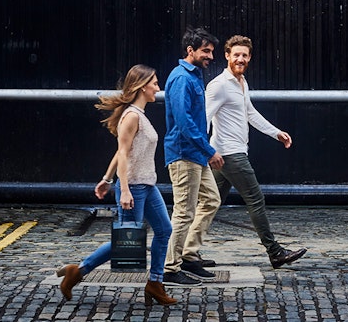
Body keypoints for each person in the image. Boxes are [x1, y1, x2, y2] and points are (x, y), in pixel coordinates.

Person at [57, 65, 177, 307]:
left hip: (147, 185)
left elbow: (124, 151)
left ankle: (155, 283)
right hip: (133, 186)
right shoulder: (132, 116)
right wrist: (122, 188)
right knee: (127, 241)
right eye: (154, 83)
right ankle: (78, 271)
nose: (157, 88)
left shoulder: (139, 115)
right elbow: (122, 152)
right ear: (143, 86)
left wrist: (106, 178)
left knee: (164, 230)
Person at [205, 35, 307, 268]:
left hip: (229, 154)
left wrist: (276, 133)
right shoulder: (219, 85)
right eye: (236, 54)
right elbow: (203, 118)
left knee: (208, 204)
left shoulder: (241, 82)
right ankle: (275, 252)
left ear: (249, 58)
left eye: (245, 55)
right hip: (228, 154)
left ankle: (184, 253)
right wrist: (208, 151)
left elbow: (249, 113)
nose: (240, 59)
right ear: (227, 56)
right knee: (255, 199)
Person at [162, 27, 224, 285]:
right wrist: (210, 151)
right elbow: (185, 123)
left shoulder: (195, 76)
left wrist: (204, 152)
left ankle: (188, 254)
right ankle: (170, 268)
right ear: (191, 50)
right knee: (184, 212)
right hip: (185, 154)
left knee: (211, 200)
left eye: (211, 51)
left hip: (195, 154)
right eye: (205, 51)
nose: (210, 56)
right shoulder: (182, 78)